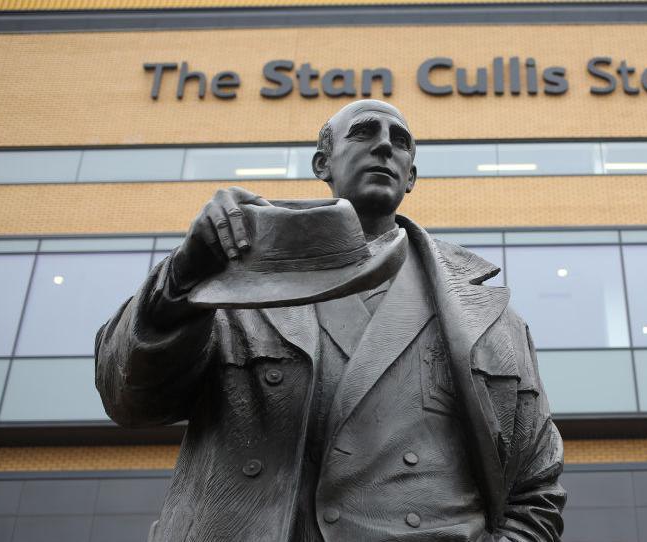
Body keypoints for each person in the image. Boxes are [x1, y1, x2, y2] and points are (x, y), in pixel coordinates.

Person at [95, 99, 565, 542]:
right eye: (363, 133)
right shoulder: (237, 279)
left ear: (411, 178)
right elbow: (129, 400)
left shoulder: (488, 318)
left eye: (400, 141)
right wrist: (183, 277)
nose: (384, 145)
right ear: (323, 164)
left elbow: (535, 490)